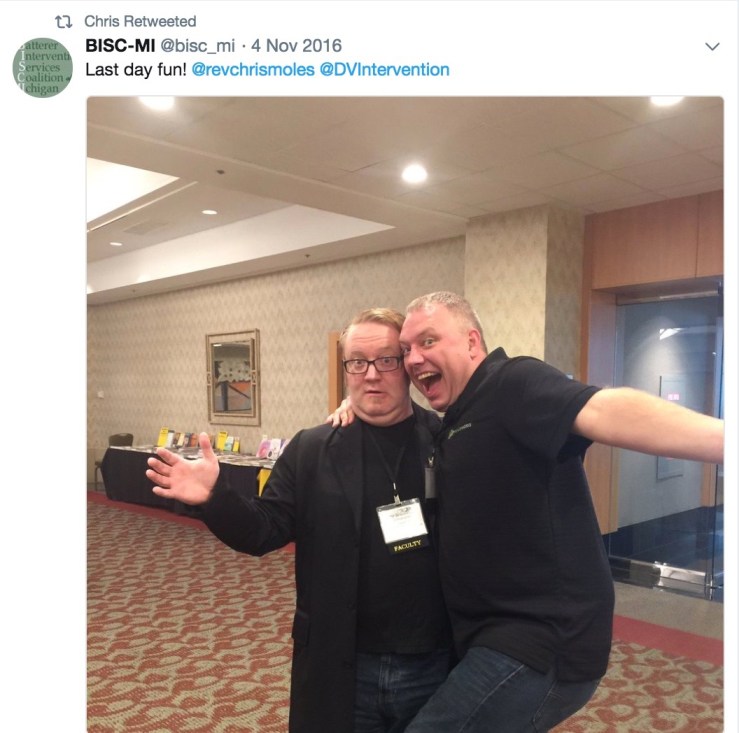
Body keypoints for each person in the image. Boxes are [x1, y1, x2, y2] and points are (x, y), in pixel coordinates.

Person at [332, 291, 724, 733]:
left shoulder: (512, 383)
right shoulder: (456, 418)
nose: (414, 358)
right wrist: (359, 405)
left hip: (538, 642)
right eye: (406, 350)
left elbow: (603, 409)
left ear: (472, 342)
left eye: (428, 341)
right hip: (487, 637)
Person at [146, 308, 452, 733]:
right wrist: (215, 497)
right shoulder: (313, 449)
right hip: (341, 659)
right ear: (345, 369)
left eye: (386, 360)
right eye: (357, 362)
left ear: (407, 365)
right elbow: (263, 530)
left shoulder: (446, 440)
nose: (371, 375)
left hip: (433, 660)